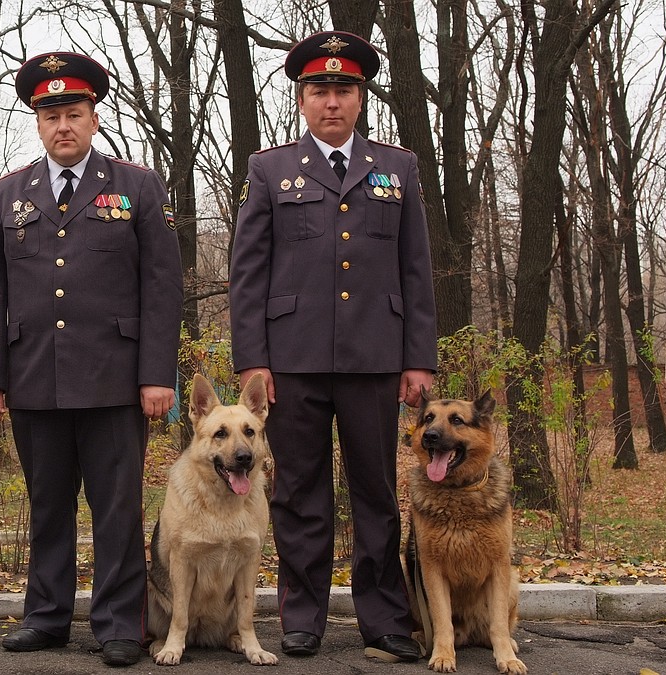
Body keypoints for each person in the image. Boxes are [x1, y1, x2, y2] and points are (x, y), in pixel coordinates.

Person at [0, 51, 183, 667]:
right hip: (34, 375)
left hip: (117, 378)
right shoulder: (6, 194)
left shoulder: (136, 186)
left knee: (117, 507)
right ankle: (46, 616)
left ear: (94, 117)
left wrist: (154, 375)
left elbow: (161, 287)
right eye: (51, 114)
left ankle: (120, 624)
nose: (63, 124)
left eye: (74, 112)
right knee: (48, 504)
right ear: (37, 123)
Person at [228, 31, 437, 662]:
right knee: (299, 492)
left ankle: (384, 616)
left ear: (361, 95)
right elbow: (249, 272)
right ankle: (303, 615)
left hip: (377, 357)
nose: (332, 102)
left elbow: (415, 270)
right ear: (301, 97)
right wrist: (253, 363)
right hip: (292, 361)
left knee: (375, 489)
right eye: (319, 89)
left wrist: (418, 358)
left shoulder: (397, 168)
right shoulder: (270, 170)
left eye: (344, 89)